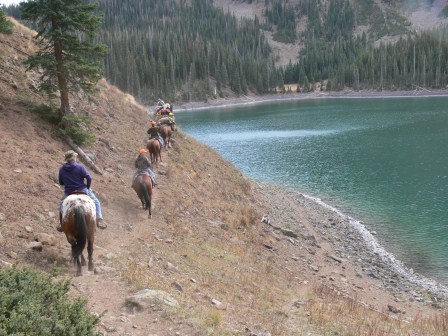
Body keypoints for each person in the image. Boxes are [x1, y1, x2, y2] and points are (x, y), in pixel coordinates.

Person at [57, 150, 107, 231]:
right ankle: (100, 220)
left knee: (61, 205)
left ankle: (61, 223)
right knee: (96, 202)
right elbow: (89, 177)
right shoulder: (80, 166)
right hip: (82, 189)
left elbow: (61, 182)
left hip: (69, 192)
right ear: (74, 158)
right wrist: (87, 187)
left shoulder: (62, 169)